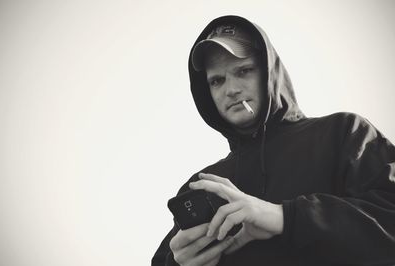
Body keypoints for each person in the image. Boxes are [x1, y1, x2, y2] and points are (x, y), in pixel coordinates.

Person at [152, 15, 395, 266]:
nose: (231, 89)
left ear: (269, 72)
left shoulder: (343, 133)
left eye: (243, 71)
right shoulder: (204, 184)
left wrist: (284, 217)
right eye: (217, 80)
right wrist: (177, 263)